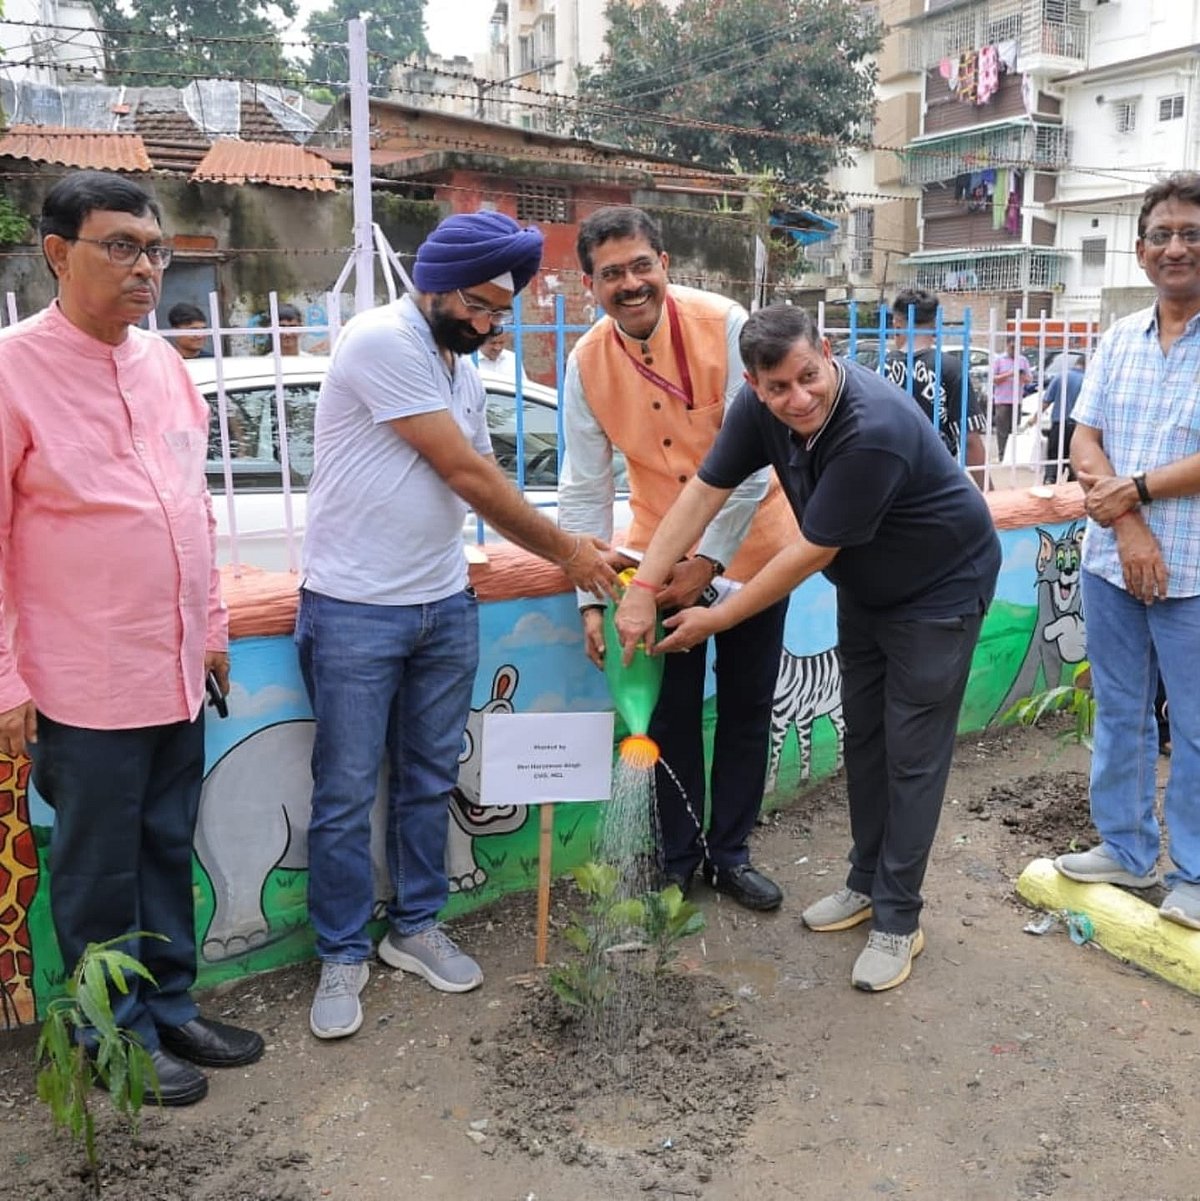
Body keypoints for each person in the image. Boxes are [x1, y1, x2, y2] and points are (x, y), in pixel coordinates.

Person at [614, 304, 1001, 992]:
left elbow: (809, 552)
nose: (798, 399)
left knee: (911, 754)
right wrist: (643, 585)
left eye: (808, 376)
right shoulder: (757, 408)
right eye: (778, 387)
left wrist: (719, 618)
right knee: (865, 739)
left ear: (826, 351)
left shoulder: (870, 430)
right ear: (752, 383)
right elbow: (704, 491)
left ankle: (899, 917)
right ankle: (864, 882)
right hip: (871, 587)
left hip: (940, 588)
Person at [298, 210, 617, 1040]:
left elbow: (484, 476)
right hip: (354, 609)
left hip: (444, 603)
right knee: (343, 790)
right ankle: (340, 952)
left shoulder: (458, 364)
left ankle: (415, 926)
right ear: (433, 284)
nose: (488, 323)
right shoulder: (381, 341)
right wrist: (571, 552)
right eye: (478, 306)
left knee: (430, 777)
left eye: (500, 312)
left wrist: (557, 543)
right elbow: (468, 474)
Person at [0, 171, 263, 1104]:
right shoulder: (10, 370)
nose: (146, 266)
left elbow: (190, 509)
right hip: (80, 678)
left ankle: (171, 1003)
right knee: (99, 867)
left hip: (176, 670)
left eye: (155, 249)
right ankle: (107, 1031)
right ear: (58, 253)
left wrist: (213, 627)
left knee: (163, 845)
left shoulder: (162, 365)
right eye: (122, 245)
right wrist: (5, 682)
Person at [559, 205, 799, 912]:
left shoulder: (724, 323)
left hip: (755, 554)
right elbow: (583, 485)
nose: (630, 284)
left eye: (641, 266)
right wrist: (593, 599)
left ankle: (731, 854)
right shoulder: (584, 362)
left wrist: (711, 564)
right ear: (590, 285)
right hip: (654, 566)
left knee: (749, 707)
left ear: (665, 264)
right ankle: (676, 857)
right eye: (611, 274)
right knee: (668, 716)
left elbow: (753, 461)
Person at [1053, 172, 1200, 928]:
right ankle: (1127, 849)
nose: (1176, 247)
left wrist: (1134, 493)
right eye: (1162, 235)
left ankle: (1197, 877)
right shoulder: (1117, 339)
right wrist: (1130, 520)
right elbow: (1085, 436)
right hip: (1115, 564)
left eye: (1191, 234)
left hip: (1197, 575)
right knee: (1120, 712)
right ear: (1141, 253)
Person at [883, 286, 987, 487]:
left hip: (890, 480)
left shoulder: (882, 366)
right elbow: (968, 440)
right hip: (936, 481)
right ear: (935, 324)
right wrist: (988, 490)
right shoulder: (950, 367)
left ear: (896, 323)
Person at [1034, 353, 1084, 484]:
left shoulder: (1060, 376)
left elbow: (1046, 401)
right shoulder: (1087, 380)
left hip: (1058, 423)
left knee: (1054, 456)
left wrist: (1034, 418)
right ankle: (1072, 486)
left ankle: (1050, 480)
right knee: (1074, 459)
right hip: (1077, 426)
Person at [991, 336, 1032, 462]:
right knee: (1002, 430)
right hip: (1002, 400)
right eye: (1012, 347)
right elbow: (993, 379)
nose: (1014, 350)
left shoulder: (1023, 360)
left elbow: (1029, 379)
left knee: (1014, 429)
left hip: (1017, 400)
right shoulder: (999, 360)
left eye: (1017, 347)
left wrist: (1022, 376)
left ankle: (1013, 456)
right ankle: (1002, 455)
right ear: (1007, 345)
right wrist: (1010, 374)